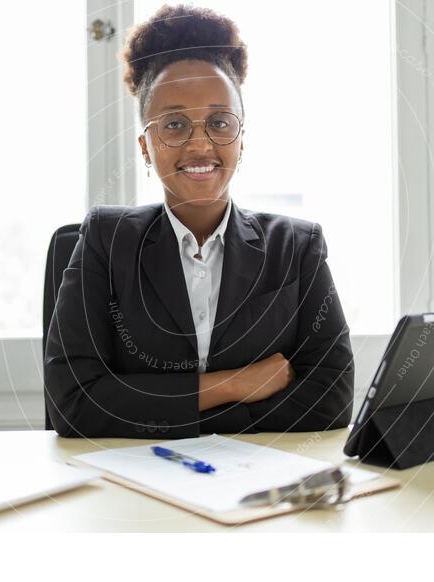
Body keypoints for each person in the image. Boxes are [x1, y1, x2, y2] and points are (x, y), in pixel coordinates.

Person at [44, 4, 354, 438]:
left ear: (241, 139)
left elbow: (331, 398)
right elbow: (74, 403)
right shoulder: (104, 239)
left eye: (219, 122)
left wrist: (165, 410)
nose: (200, 144)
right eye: (173, 124)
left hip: (257, 485)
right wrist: (237, 384)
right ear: (146, 147)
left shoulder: (297, 246)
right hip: (138, 483)